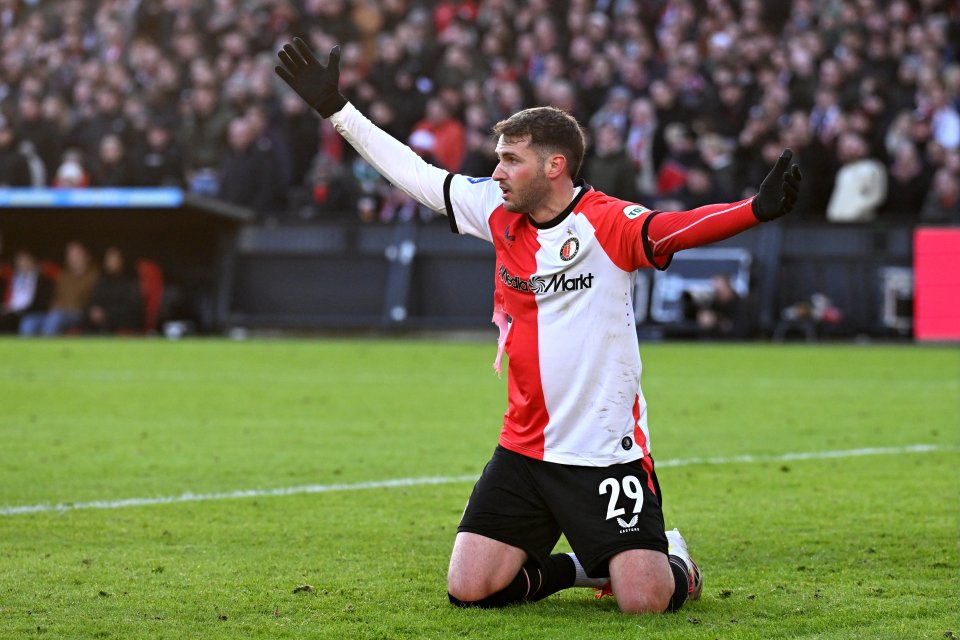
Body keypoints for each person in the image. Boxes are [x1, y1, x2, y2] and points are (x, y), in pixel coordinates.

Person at [276, 39, 801, 614]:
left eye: (511, 160)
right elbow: (415, 174)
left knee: (644, 601)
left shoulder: (607, 223)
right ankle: (582, 566)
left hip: (605, 452)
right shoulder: (496, 213)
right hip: (524, 450)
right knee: (471, 589)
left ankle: (675, 560)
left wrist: (755, 209)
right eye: (498, 158)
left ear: (555, 166)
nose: (496, 172)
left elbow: (674, 229)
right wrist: (338, 111)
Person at [20, 241, 99, 336]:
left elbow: (95, 300)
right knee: (29, 321)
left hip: (79, 314)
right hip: (56, 312)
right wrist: (55, 307)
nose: (72, 257)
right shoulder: (63, 275)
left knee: (55, 319)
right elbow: (56, 296)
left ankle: (48, 349)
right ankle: (28, 350)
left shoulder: (95, 276)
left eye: (76, 254)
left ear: (87, 256)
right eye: (70, 254)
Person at [83, 246, 144, 334]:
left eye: (114, 260)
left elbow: (133, 309)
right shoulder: (101, 281)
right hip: (101, 320)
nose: (110, 263)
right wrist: (93, 311)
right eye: (108, 260)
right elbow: (93, 301)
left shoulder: (130, 282)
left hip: (123, 321)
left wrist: (106, 314)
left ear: (121, 261)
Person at [0, 249, 54, 333]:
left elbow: (41, 303)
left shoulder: (42, 280)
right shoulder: (13, 278)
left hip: (32, 312)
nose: (23, 263)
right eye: (20, 260)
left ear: (32, 261)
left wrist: (20, 310)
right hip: (12, 310)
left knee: (22, 322)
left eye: (26, 260)